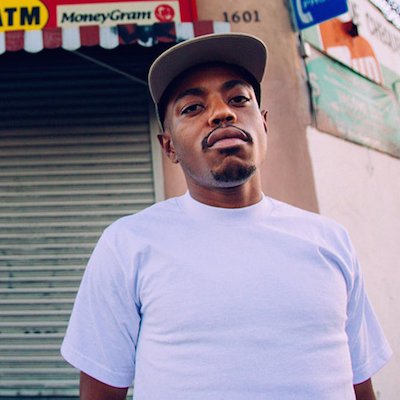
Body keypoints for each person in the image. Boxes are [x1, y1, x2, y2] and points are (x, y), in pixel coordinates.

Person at [61, 33, 392, 400]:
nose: (222, 113)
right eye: (192, 108)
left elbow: (360, 384)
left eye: (238, 99)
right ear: (169, 146)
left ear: (263, 124)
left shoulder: (330, 240)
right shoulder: (128, 244)